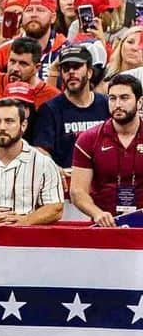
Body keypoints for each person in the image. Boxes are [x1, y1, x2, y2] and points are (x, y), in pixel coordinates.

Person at [70, 72, 143, 225]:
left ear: (140, 102)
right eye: (112, 98)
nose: (117, 105)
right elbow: (77, 191)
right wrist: (97, 213)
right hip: (104, 227)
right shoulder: (88, 139)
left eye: (124, 98)